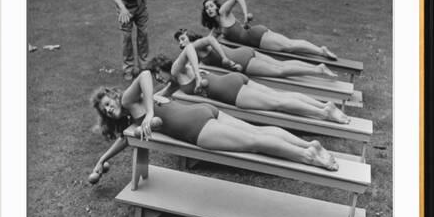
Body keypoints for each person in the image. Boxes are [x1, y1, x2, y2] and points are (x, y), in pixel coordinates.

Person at [88, 70, 339, 185]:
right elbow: (125, 140)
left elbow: (144, 74)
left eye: (108, 103)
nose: (110, 108)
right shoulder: (131, 119)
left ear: (114, 95)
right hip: (202, 113)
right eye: (106, 110)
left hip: (196, 128)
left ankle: (307, 155)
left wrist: (150, 114)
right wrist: (102, 159)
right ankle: (310, 145)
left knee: (255, 142)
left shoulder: (129, 101)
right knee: (257, 132)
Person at [146, 50, 350, 124]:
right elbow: (159, 95)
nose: (158, 78)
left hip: (230, 92)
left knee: (278, 103)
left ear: (161, 67)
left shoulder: (175, 70)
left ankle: (323, 112)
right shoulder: (175, 80)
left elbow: (190, 47)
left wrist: (198, 77)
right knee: (280, 95)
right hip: (234, 79)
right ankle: (325, 106)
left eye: (157, 74)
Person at [201, 0, 338, 60]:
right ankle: (320, 51)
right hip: (255, 42)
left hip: (256, 36)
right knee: (289, 47)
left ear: (216, 6)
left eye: (211, 5)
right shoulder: (216, 29)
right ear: (206, 12)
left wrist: (245, 14)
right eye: (207, 8)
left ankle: (321, 51)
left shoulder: (223, 12)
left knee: (289, 46)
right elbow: (207, 42)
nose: (210, 9)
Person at [174, 28, 337, 79]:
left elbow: (211, 40)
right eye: (179, 42)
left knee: (279, 71)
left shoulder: (196, 45)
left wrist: (224, 58)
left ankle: (317, 70)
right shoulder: (194, 50)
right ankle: (317, 66)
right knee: (280, 64)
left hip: (242, 62)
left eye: (182, 39)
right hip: (245, 53)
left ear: (189, 36)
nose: (181, 43)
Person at [113, 0, 151, 81]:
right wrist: (123, 9)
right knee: (127, 37)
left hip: (140, 4)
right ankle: (128, 69)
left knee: (143, 33)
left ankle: (144, 66)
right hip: (126, 7)